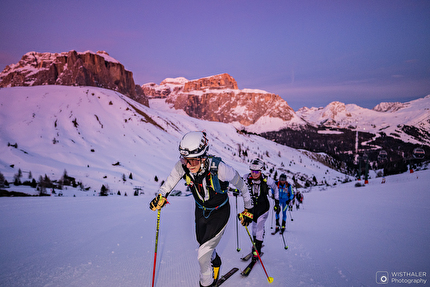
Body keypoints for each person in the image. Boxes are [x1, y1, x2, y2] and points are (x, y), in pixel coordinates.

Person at [149, 131, 253, 287]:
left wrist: (248, 210)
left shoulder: (221, 169)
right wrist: (161, 196)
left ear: (203, 157)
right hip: (200, 210)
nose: (189, 165)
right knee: (202, 242)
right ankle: (216, 261)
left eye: (193, 161)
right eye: (185, 160)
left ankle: (206, 284)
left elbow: (243, 186)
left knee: (202, 255)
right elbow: (169, 183)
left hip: (220, 211)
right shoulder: (183, 166)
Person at [243, 158, 278, 261]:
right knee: (253, 228)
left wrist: (277, 202)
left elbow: (275, 188)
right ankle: (256, 245)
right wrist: (236, 190)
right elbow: (239, 185)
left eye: (256, 171)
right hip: (252, 208)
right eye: (252, 171)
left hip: (263, 208)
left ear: (261, 171)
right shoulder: (246, 177)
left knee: (259, 228)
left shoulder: (266, 179)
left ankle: (256, 250)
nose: (254, 174)